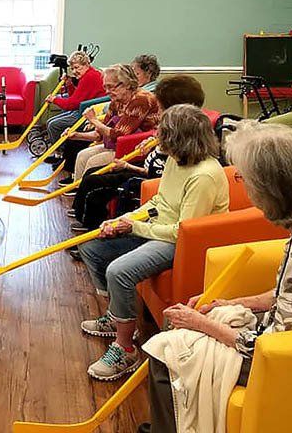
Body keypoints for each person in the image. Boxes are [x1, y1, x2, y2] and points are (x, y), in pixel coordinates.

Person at [139, 123, 292, 432]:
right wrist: (230, 302)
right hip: (281, 340)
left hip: (286, 363)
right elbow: (287, 294)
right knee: (182, 325)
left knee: (166, 351)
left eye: (245, 179)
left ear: (274, 189)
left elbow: (268, 350)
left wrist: (202, 324)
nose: (245, 189)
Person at [78, 104, 229, 381]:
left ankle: (125, 349)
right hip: (161, 229)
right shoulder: (176, 160)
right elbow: (159, 201)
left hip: (184, 245)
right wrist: (124, 219)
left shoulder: (204, 175)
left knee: (119, 271)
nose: (157, 133)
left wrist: (135, 226)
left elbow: (184, 231)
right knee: (92, 249)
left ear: (180, 138)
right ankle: (117, 315)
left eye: (164, 131)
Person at [69, 75, 206, 232]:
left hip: (143, 174)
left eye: (160, 109)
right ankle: (88, 220)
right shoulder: (169, 131)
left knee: (94, 182)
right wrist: (151, 142)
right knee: (92, 172)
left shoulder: (181, 138)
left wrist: (127, 165)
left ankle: (92, 228)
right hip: (142, 165)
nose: (158, 114)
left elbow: (156, 172)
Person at [60, 64, 161, 184]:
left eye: (111, 87)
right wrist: (76, 135)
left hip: (140, 148)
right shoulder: (116, 101)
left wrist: (94, 120)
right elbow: (100, 134)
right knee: (82, 155)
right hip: (119, 145)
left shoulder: (141, 99)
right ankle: (78, 192)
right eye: (105, 87)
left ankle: (86, 194)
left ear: (127, 84)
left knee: (93, 162)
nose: (107, 92)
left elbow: (117, 134)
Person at [44, 51, 105, 166]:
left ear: (86, 65)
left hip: (88, 112)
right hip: (84, 107)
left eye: (77, 67)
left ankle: (63, 156)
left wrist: (54, 100)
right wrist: (69, 85)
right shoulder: (88, 75)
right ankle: (59, 154)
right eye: (72, 68)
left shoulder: (90, 77)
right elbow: (76, 97)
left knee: (53, 124)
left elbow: (72, 104)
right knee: (50, 122)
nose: (74, 71)